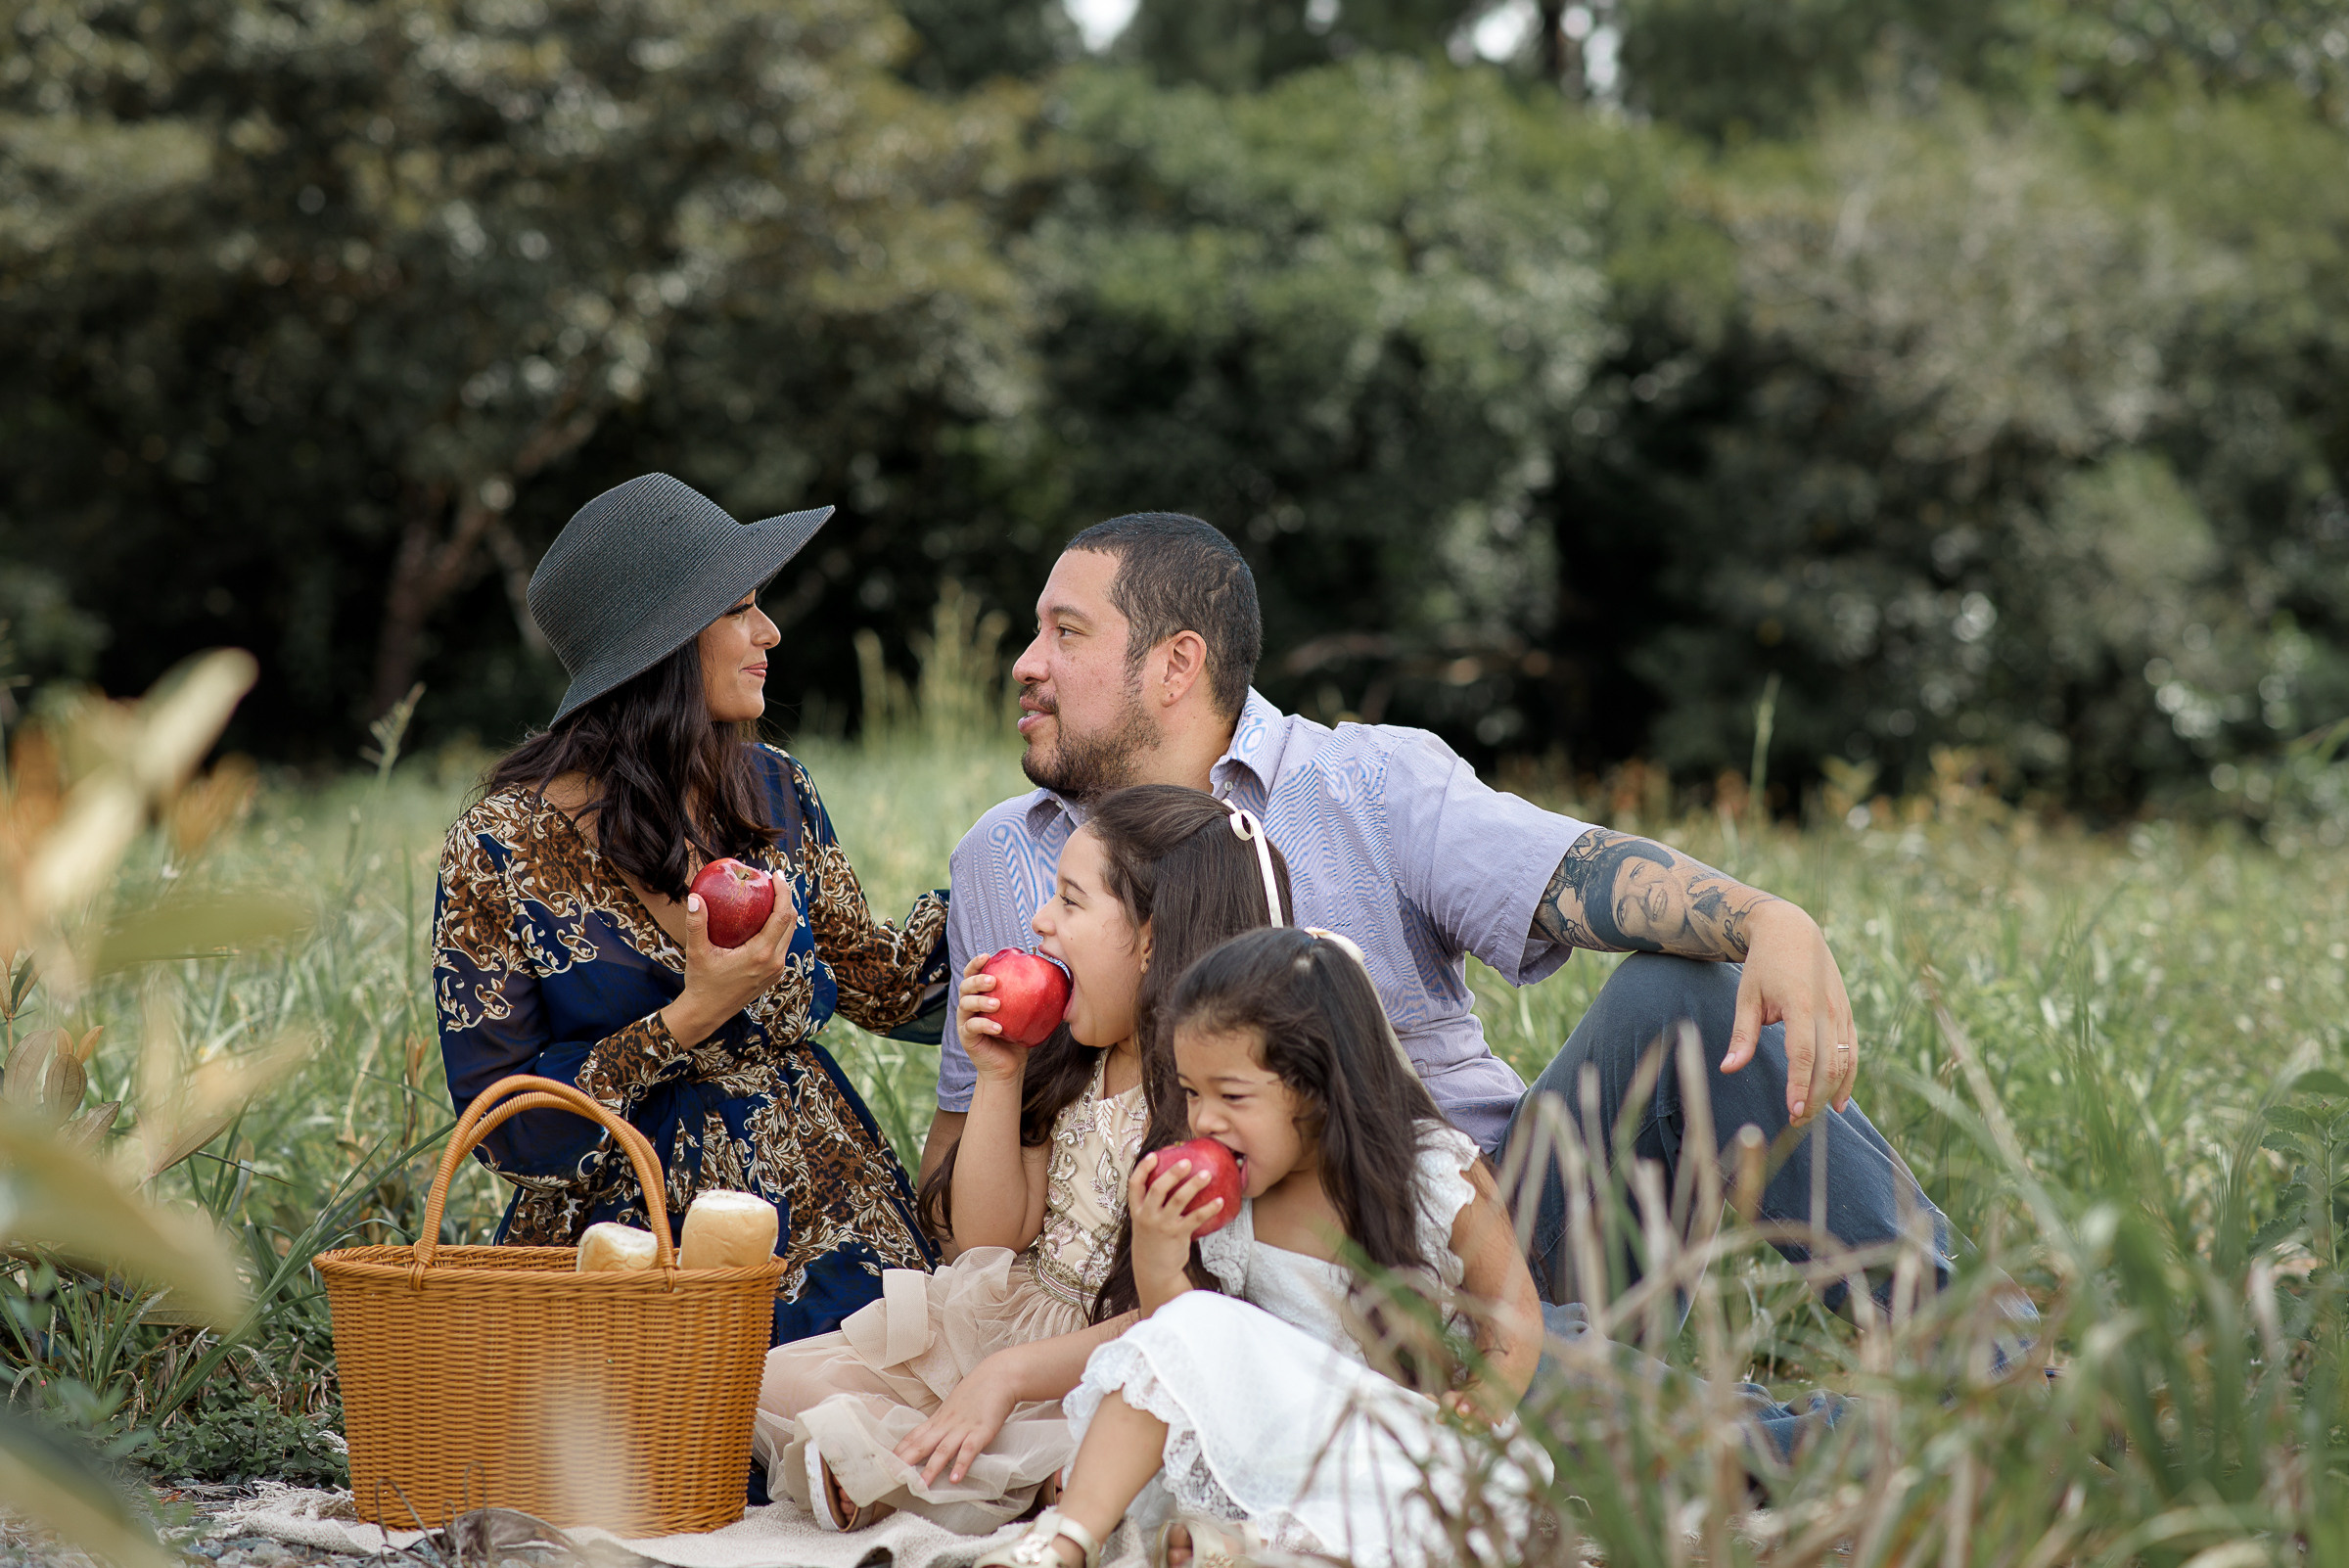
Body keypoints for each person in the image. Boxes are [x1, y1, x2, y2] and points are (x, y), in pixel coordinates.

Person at [930, 511, 1983, 1335]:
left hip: (1491, 1216)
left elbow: (1576, 872)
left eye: (1065, 633)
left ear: (1175, 665)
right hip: (1264, 1278)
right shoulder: (1007, 858)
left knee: (1687, 991)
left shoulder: (1363, 783)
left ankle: (1976, 1359)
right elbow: (970, 1164)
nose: (1024, 662)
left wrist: (1766, 918)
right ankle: (1802, 1433)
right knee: (1500, 1382)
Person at [433, 473, 948, 1345]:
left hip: (823, 1219)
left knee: (886, 1419)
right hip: (633, 1249)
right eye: (740, 609)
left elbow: (885, 985)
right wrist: (688, 1017)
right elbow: (501, 1125)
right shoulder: (500, 848)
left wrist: (1043, 884)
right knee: (685, 1446)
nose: (770, 632)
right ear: (663, 644)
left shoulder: (774, 789)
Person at [754, 786, 1296, 1533]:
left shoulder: (1215, 1113)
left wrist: (1007, 1380)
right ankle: (912, 1466)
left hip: (1114, 1354)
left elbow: (1181, 1319)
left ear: (1151, 940)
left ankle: (916, 1470)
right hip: (1009, 1314)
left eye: (1071, 903)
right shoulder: (1075, 1059)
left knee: (1081, 1454)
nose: (1041, 922)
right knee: (780, 1378)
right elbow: (987, 1238)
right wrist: (1000, 1076)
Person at [976, 926, 1546, 1568]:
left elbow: (1513, 1312)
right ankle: (1064, 1542)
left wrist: (1485, 1399)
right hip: (1280, 1444)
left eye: (1232, 1095)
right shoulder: (1228, 1205)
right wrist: (1159, 1255)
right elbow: (1182, 1346)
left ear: (1318, 1087)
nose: (1203, 1121)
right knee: (1183, 1335)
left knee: (1451, 1514)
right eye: (1192, 1093)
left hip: (1402, 1447)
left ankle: (1248, 1549)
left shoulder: (1431, 1173)